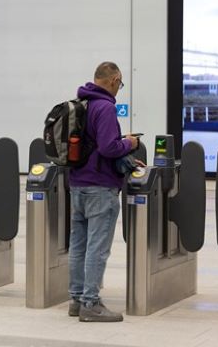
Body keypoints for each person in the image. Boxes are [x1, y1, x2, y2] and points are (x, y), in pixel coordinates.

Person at [67, 62, 142, 322]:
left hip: (76, 185)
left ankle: (76, 300)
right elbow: (109, 148)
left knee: (78, 246)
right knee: (97, 248)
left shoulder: (81, 104)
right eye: (119, 84)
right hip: (100, 187)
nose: (118, 88)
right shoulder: (105, 107)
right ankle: (91, 304)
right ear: (114, 79)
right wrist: (129, 142)